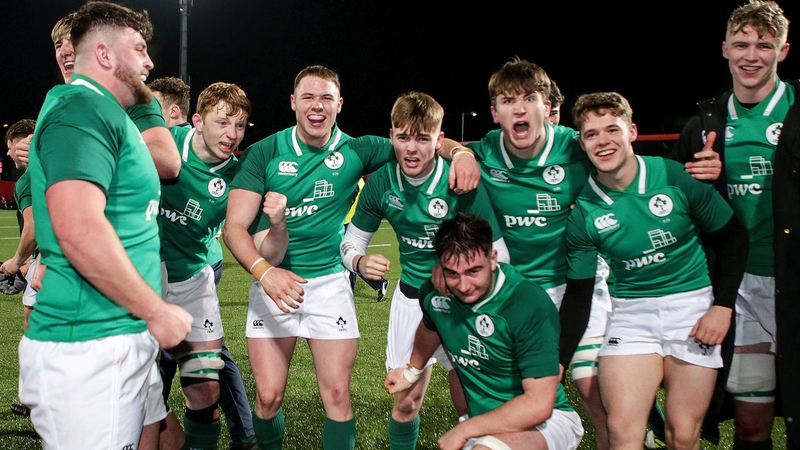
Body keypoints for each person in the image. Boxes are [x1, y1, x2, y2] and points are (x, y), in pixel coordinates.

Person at [224, 64, 479, 449]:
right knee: (268, 397)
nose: (317, 106)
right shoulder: (265, 152)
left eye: (326, 98)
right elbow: (234, 228)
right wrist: (265, 273)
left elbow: (416, 140)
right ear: (293, 102)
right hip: (273, 282)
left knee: (339, 397)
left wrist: (459, 152)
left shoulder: (357, 149)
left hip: (328, 285)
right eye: (308, 97)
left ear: (339, 104)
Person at [18, 2, 192, 449]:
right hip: (90, 344)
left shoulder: (107, 111)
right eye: (139, 48)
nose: (149, 61)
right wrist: (157, 311)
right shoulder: (80, 109)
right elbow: (77, 227)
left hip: (118, 331)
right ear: (105, 54)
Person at [436, 58, 613, 449]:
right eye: (507, 100)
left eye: (529, 98)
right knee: (475, 376)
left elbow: (621, 156)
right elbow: (436, 140)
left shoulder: (574, 146)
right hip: (514, 291)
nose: (519, 108)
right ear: (495, 112)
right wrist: (460, 153)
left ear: (546, 106)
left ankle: (620, 434)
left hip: (575, 286)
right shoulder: (486, 150)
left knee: (590, 386)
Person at [566, 92, 748, 450]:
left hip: (692, 310)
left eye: (612, 129)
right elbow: (578, 295)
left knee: (682, 435)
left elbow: (734, 236)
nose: (603, 141)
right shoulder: (584, 212)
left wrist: (722, 306)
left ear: (632, 131)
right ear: (582, 144)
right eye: (591, 134)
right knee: (621, 430)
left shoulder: (673, 176)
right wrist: (557, 360)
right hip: (632, 315)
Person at [339, 91, 510, 449]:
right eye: (403, 137)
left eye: (422, 138)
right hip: (412, 301)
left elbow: (498, 253)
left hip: (465, 306)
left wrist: (468, 285)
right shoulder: (382, 182)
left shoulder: (460, 180)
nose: (411, 148)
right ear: (391, 137)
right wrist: (359, 261)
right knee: (405, 402)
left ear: (439, 138)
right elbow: (350, 242)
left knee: (471, 401)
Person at [672, 2, 794, 448]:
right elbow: (672, 202)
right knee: (750, 424)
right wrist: (698, 183)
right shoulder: (704, 123)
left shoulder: (798, 113)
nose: (751, 54)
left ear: (783, 50)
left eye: (764, 44)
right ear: (725, 49)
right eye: (741, 43)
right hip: (739, 290)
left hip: (794, 285)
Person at [385, 212, 584, 450]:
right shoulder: (435, 292)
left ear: (493, 259)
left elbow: (539, 404)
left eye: (473, 271)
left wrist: (466, 429)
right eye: (452, 274)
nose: (464, 286)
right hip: (483, 423)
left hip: (546, 422)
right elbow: (430, 328)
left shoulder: (526, 303)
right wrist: (412, 371)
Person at [150, 76, 258, 450]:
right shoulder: (164, 142)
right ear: (196, 120)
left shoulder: (239, 177)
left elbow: (251, 235)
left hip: (191, 283)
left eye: (240, 125)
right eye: (222, 122)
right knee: (138, 388)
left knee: (206, 387)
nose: (232, 133)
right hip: (142, 278)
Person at [50, 10, 181, 180]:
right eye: (58, 45)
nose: (63, 51)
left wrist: (82, 141)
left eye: (72, 40)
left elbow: (168, 162)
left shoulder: (131, 97)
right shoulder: (61, 103)